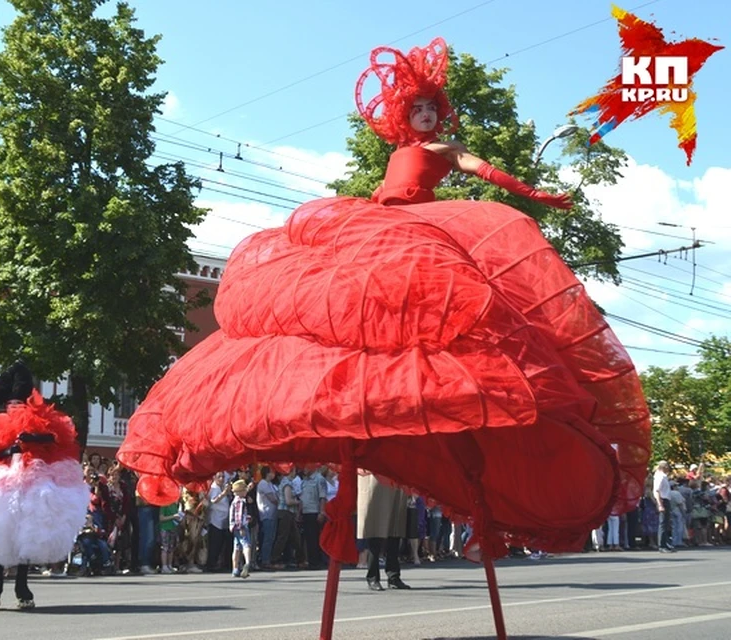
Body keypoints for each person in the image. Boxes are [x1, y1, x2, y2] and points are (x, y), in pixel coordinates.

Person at [117, 37, 650, 637]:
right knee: (343, 318)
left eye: (430, 108)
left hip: (424, 230)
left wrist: (534, 193)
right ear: (402, 116)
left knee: (449, 315)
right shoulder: (399, 152)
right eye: (415, 109)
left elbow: (486, 172)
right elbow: (386, 193)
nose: (424, 116)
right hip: (377, 230)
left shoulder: (446, 148)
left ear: (440, 113)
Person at [0, 360, 87, 611]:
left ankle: (22, 585)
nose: (14, 408)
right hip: (0, 484)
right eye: (10, 404)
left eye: (18, 404)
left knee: (27, 533)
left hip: (32, 481)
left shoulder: (40, 420)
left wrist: (32, 439)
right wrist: (9, 449)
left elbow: (56, 439)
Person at [358, 473, 411, 591]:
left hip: (395, 478)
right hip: (377, 476)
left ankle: (393, 576)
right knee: (376, 530)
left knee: (395, 531)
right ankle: (373, 577)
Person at [229, 478, 253, 578]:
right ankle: (247, 563)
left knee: (237, 547)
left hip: (234, 527)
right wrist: (242, 526)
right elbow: (238, 516)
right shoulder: (240, 501)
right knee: (246, 545)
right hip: (240, 527)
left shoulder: (234, 501)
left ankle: (235, 569)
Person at [653, 461, 674, 553]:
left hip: (666, 499)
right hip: (663, 499)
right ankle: (661, 545)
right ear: (664, 467)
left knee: (666, 523)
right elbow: (656, 491)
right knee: (662, 523)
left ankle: (665, 543)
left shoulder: (663, 477)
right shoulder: (660, 477)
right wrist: (660, 504)